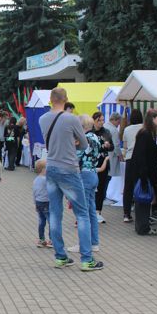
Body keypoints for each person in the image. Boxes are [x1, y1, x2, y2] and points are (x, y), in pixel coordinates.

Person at [39, 88, 104, 271]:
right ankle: (87, 259)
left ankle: (60, 256)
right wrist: (72, 141)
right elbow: (83, 144)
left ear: (51, 99)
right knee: (82, 213)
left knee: (55, 213)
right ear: (66, 99)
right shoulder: (72, 119)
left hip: (51, 168)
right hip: (69, 169)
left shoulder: (42, 119)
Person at [68, 114, 108, 252]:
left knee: (82, 212)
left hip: (83, 175)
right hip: (93, 174)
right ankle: (94, 243)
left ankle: (83, 244)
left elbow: (76, 157)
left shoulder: (83, 139)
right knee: (91, 212)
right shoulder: (96, 138)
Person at [130, 110, 157, 236]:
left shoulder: (148, 133)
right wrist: (143, 174)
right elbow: (141, 155)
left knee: (143, 199)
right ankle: (143, 227)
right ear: (152, 119)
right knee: (143, 199)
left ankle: (142, 226)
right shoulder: (145, 134)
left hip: (144, 171)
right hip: (143, 172)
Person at [120, 109, 144, 223]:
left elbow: (125, 146)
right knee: (140, 185)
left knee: (128, 187)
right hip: (141, 159)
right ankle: (141, 213)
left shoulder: (127, 129)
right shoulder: (144, 128)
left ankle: (126, 213)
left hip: (129, 159)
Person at [91, 112, 114, 218]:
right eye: (99, 120)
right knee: (91, 187)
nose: (101, 122)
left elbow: (112, 147)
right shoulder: (90, 132)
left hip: (103, 162)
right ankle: (91, 210)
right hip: (91, 163)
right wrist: (101, 146)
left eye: (103, 120)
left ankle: (98, 211)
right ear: (94, 120)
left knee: (101, 187)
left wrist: (108, 146)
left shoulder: (106, 132)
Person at [33, 159, 51, 248]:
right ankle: (52, 240)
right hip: (46, 202)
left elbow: (34, 193)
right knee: (51, 221)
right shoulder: (46, 180)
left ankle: (41, 239)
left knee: (41, 222)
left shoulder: (35, 180)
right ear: (43, 169)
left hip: (38, 202)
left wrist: (35, 203)